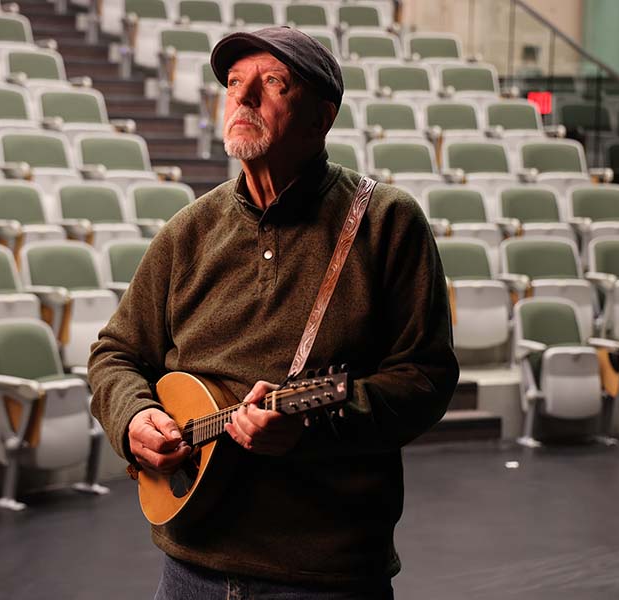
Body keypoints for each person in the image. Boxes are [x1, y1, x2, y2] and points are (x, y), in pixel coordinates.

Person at [88, 26, 459, 599]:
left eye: (273, 83)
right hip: (191, 567)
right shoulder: (188, 232)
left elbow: (426, 378)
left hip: (328, 575)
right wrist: (133, 417)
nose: (243, 96)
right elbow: (115, 354)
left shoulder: (387, 222)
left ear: (321, 117)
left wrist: (317, 423)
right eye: (234, 83)